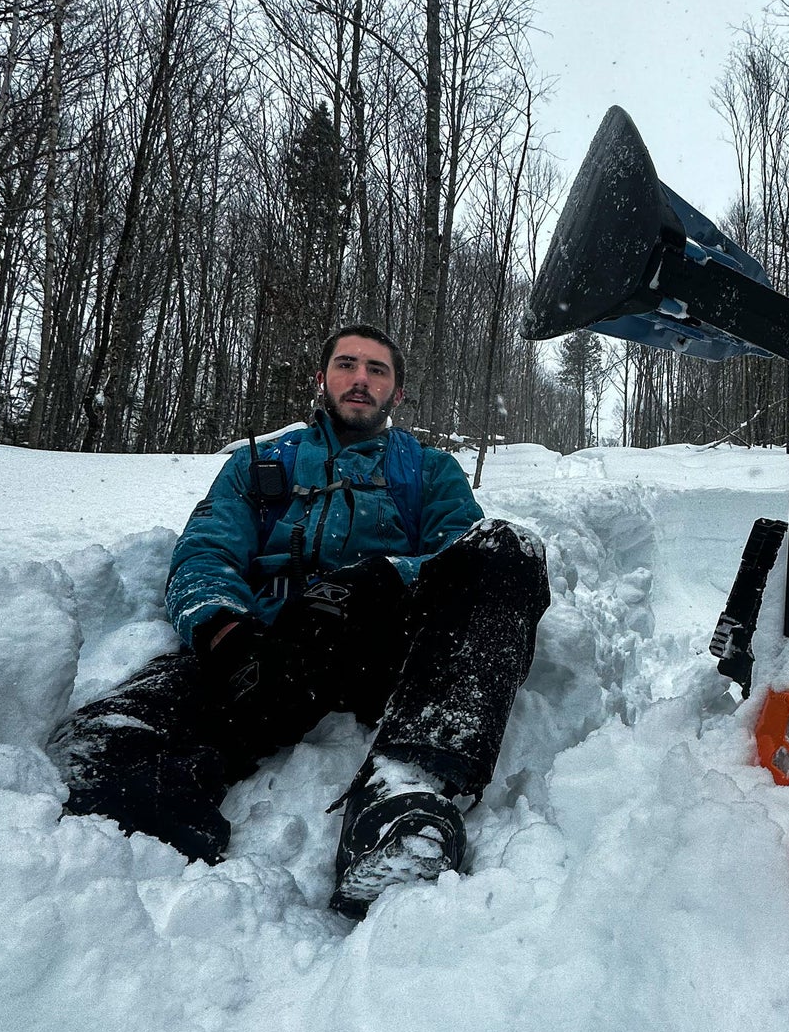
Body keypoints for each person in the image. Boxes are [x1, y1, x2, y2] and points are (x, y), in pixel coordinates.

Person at [49, 324, 550, 919]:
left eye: (377, 369)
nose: (360, 378)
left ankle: (405, 794)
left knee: (507, 550)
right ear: (322, 379)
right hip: (269, 651)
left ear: (397, 392)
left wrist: (383, 579)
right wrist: (222, 632)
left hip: (385, 647)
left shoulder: (428, 471)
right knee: (98, 746)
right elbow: (207, 552)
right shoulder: (258, 464)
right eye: (346, 364)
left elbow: (458, 554)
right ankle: (148, 849)